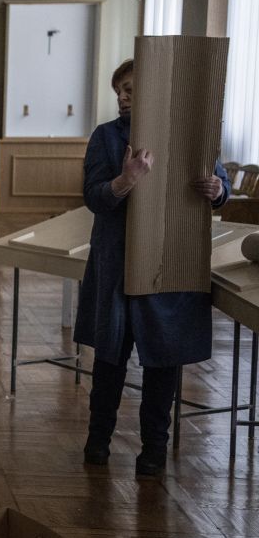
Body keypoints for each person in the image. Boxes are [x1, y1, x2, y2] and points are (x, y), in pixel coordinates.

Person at [76, 58, 229, 477]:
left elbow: (219, 186)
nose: (123, 96)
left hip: (170, 267)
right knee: (110, 360)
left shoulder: (187, 134)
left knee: (165, 361)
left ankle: (154, 451)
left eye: (130, 88)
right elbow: (94, 197)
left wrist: (217, 189)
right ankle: (97, 443)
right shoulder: (106, 137)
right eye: (119, 90)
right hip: (118, 266)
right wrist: (126, 179)